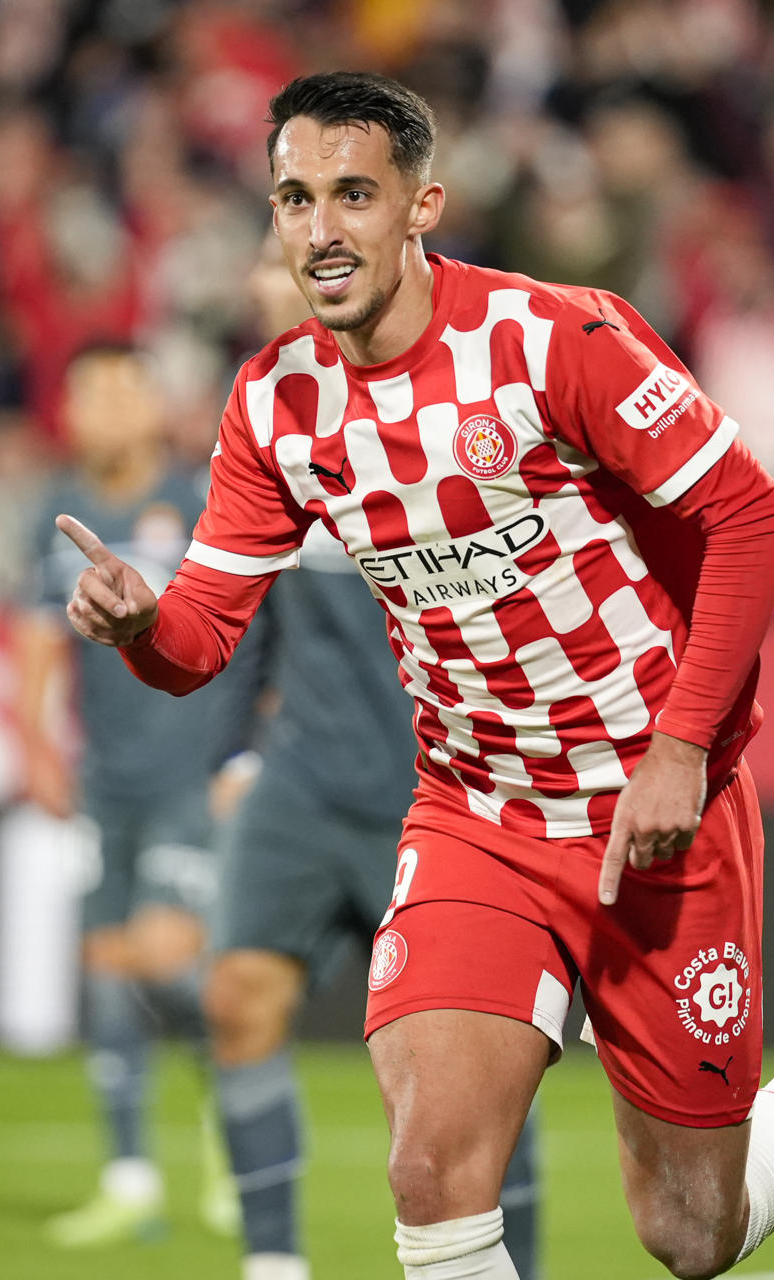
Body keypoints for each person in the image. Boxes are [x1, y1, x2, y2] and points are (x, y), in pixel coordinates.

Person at [58, 72, 774, 1280]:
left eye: (354, 194)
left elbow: (753, 518)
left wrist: (681, 747)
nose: (321, 229)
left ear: (423, 205)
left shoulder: (551, 336)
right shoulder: (275, 403)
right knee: (430, 1168)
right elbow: (200, 641)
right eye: (294, 198)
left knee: (689, 1232)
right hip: (482, 814)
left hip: (653, 808)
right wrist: (139, 620)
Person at [199, 237, 542, 1280]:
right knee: (237, 997)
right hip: (302, 773)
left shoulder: (443, 407)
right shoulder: (264, 431)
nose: (277, 272)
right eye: (267, 254)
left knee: (470, 1073)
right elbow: (239, 612)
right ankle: (273, 1264)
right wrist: (232, 751)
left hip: (441, 781)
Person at [16, 340, 252, 1247]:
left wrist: (246, 758)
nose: (108, 409)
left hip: (192, 776)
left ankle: (237, 1111)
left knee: (166, 958)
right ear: (68, 414)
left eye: (124, 389)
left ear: (156, 403)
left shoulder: (205, 501)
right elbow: (35, 631)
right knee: (109, 971)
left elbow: (262, 629)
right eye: (91, 394)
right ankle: (129, 1178)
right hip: (105, 781)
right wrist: (33, 739)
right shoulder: (56, 513)